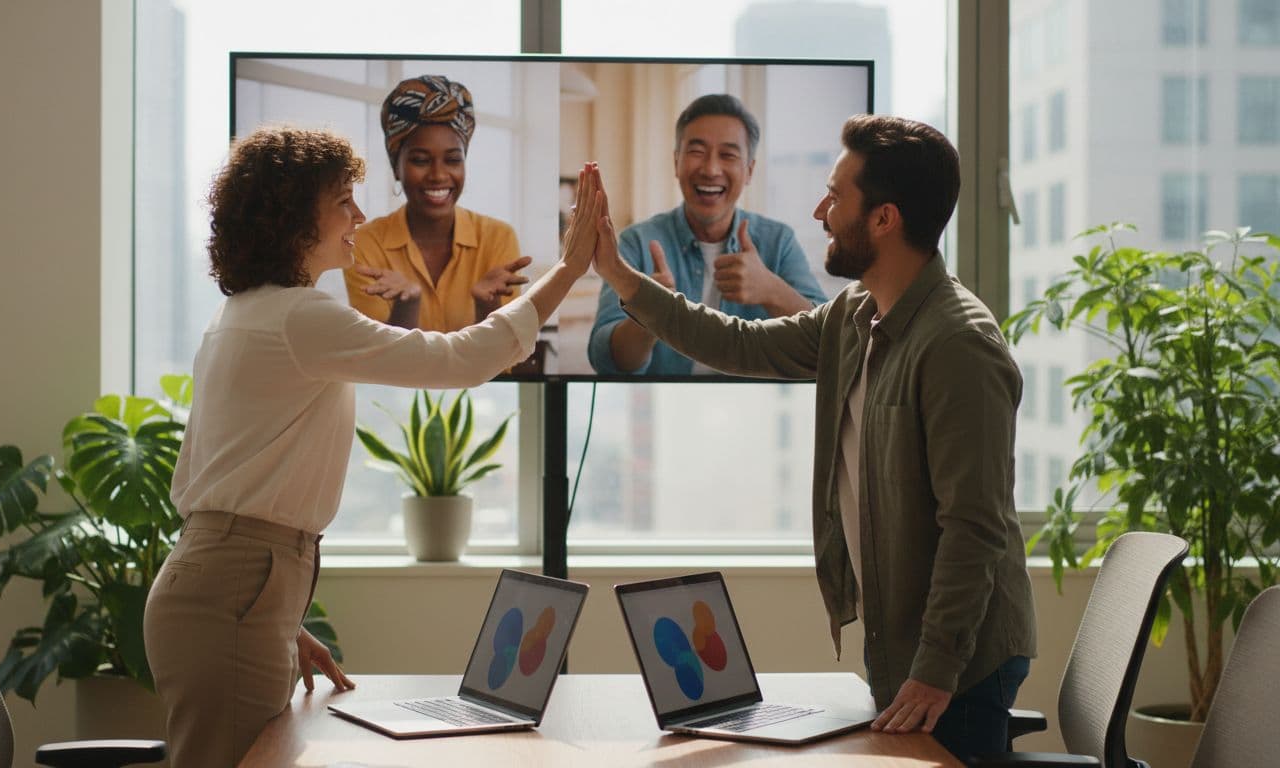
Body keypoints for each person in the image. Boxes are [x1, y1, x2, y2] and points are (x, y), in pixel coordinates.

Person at [142, 126, 605, 767]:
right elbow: (457, 360)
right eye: (343, 201)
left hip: (233, 590)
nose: (361, 216)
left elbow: (209, 484)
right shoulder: (299, 317)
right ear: (296, 215)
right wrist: (567, 271)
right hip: (233, 593)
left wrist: (268, 617)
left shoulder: (244, 313)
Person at [587, 115, 1038, 761]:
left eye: (836, 195)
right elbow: (737, 342)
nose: (820, 210)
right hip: (904, 645)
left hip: (961, 665)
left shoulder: (959, 344)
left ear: (883, 219)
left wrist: (937, 669)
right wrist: (622, 277)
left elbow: (976, 526)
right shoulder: (857, 313)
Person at [587, 93, 827, 375]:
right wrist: (650, 310)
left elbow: (831, 342)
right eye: (696, 152)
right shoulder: (636, 242)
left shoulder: (778, 241)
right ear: (676, 162)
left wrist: (771, 289)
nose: (711, 169)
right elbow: (606, 361)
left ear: (749, 171)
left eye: (728, 155)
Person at [344, 74, 531, 331]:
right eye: (420, 160)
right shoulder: (365, 242)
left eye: (453, 160)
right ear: (396, 168)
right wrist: (406, 306)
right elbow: (378, 361)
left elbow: (506, 360)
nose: (438, 175)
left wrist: (487, 306)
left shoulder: (498, 237)